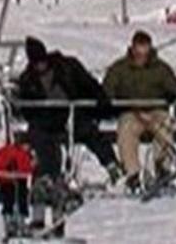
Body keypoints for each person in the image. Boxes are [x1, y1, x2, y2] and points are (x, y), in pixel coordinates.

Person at [13, 37, 120, 184]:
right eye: (36, 63)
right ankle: (50, 176)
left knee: (89, 131)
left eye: (42, 61)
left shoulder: (67, 66)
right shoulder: (28, 80)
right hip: (47, 119)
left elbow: (89, 84)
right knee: (41, 137)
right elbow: (27, 109)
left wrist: (100, 100)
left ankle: (112, 165)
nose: (40, 66)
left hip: (72, 112)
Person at [102, 31, 176, 193]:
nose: (141, 56)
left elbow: (175, 89)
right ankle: (132, 173)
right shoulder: (120, 69)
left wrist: (170, 95)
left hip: (156, 111)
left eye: (145, 51)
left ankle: (162, 167)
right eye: (138, 51)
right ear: (132, 49)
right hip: (131, 112)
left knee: (164, 125)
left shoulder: (160, 68)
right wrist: (117, 103)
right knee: (126, 129)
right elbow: (107, 90)